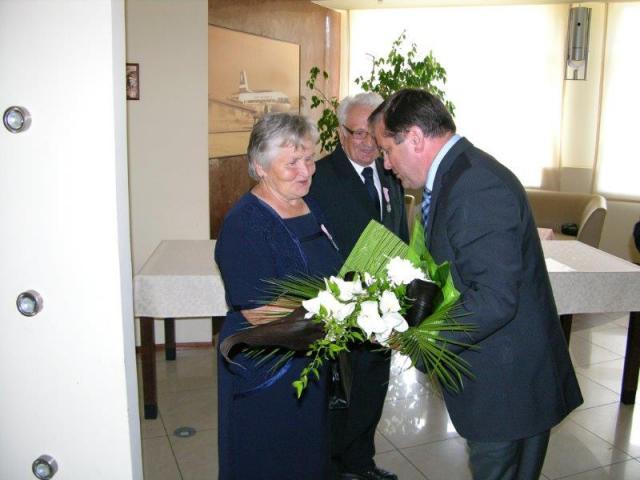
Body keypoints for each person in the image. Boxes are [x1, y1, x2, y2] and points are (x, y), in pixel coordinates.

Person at [370, 89, 583, 480]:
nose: (386, 163)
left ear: (414, 137)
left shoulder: (475, 186)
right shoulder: (456, 175)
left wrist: (422, 341)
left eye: (387, 150)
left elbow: (494, 299)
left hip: (507, 388)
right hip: (502, 379)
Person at [215, 113, 342, 479]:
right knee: (268, 457)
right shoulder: (244, 223)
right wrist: (335, 314)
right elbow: (258, 312)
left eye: (310, 159)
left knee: (307, 454)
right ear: (260, 167)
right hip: (267, 365)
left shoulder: (309, 204)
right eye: (293, 163)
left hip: (310, 357)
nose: (306, 171)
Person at [308, 92, 408, 480]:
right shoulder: (318, 177)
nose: (367, 142)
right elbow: (310, 243)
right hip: (341, 306)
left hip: (382, 309)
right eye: (357, 133)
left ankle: (361, 463)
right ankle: (335, 468)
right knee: (340, 396)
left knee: (372, 391)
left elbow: (399, 231)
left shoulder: (390, 170)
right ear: (340, 132)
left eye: (374, 133)